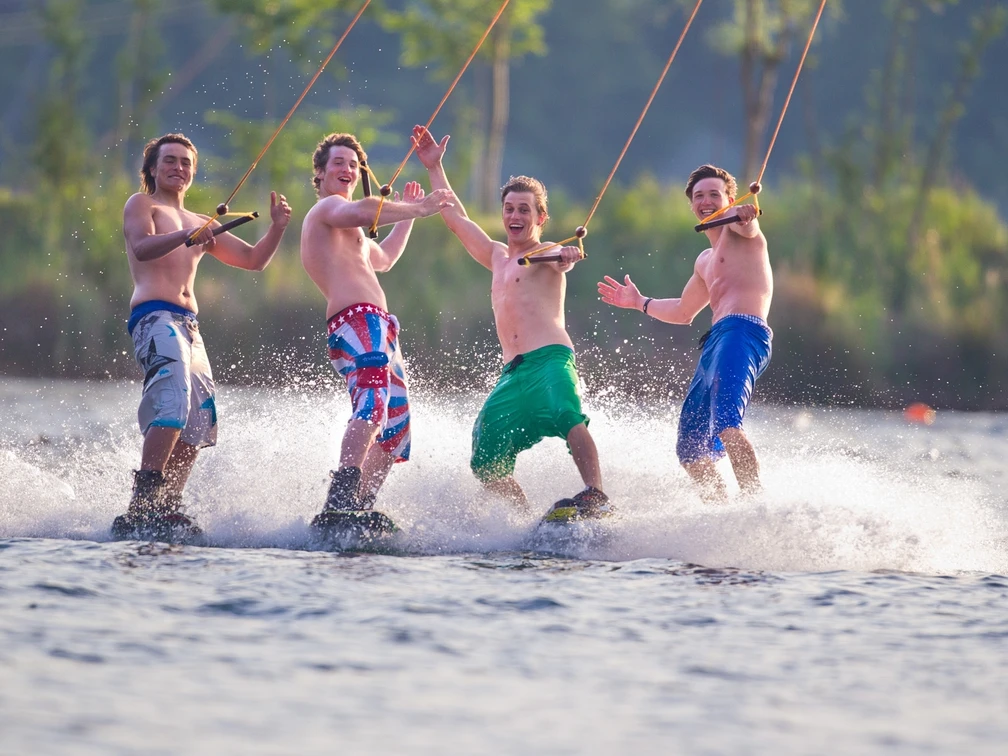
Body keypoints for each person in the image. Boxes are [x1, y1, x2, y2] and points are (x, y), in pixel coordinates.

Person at [412, 125, 609, 521]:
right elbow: (455, 218)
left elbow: (563, 256)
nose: (515, 216)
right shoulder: (497, 256)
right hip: (513, 373)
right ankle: (521, 521)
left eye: (525, 209)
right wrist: (434, 168)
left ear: (540, 216)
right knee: (485, 453)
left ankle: (596, 495)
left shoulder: (547, 252)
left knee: (568, 415)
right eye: (510, 209)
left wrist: (567, 253)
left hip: (550, 360)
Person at [113, 132, 292, 540]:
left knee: (199, 418)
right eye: (170, 161)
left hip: (189, 327)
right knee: (172, 400)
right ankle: (142, 503)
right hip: (154, 317)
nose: (179, 168)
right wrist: (186, 238)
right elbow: (141, 247)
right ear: (153, 169)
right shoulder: (143, 204)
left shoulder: (201, 222)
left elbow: (253, 260)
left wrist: (278, 227)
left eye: (186, 163)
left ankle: (168, 506)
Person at [300, 132, 454, 526]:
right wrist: (415, 208)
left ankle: (360, 507)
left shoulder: (351, 233)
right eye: (338, 162)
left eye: (354, 164)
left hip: (382, 328)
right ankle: (341, 498)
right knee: (371, 402)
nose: (347, 170)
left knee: (396, 428)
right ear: (319, 173)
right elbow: (364, 211)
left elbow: (383, 258)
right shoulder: (327, 211)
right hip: (355, 321)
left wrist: (410, 218)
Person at [598, 164, 773, 502]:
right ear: (692, 205)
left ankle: (755, 505)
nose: (706, 201)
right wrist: (640, 302)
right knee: (690, 449)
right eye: (698, 196)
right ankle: (719, 510)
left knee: (727, 423)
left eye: (714, 195)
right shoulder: (705, 261)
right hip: (715, 341)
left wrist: (746, 214)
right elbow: (682, 311)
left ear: (729, 199)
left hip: (743, 332)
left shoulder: (742, 234)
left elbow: (747, 222)